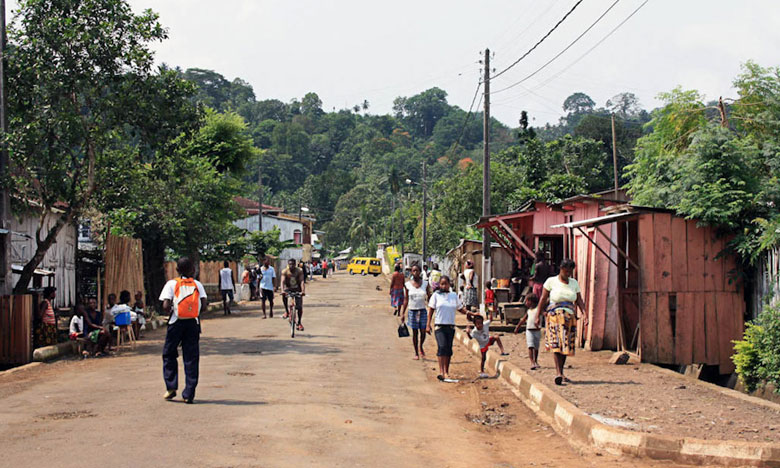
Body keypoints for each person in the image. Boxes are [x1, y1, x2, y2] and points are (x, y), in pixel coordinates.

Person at [160, 257, 207, 404]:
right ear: (193, 270)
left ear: (177, 270)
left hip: (176, 322)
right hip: (193, 323)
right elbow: (204, 305)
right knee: (191, 357)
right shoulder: (197, 284)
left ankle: (171, 387)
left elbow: (166, 306)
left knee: (169, 353)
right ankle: (189, 393)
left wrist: (176, 310)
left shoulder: (171, 284)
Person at [538, 258, 587, 386]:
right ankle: (558, 373)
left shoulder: (574, 283)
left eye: (570, 272)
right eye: (566, 271)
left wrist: (585, 314)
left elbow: (579, 300)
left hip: (569, 318)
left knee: (565, 346)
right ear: (561, 269)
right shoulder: (551, 281)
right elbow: (543, 298)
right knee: (556, 344)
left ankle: (562, 372)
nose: (568, 274)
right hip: (554, 317)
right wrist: (538, 315)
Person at [426, 275, 470, 381]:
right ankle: (441, 372)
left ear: (449, 285)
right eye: (442, 283)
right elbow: (431, 310)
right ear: (439, 285)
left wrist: (470, 313)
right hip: (439, 326)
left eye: (446, 283)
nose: (444, 286)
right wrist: (428, 325)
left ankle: (446, 371)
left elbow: (460, 308)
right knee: (442, 347)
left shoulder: (453, 296)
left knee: (448, 349)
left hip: (450, 326)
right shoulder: (436, 296)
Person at [401, 264, 431, 360]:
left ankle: (421, 345)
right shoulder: (408, 285)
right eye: (413, 271)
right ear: (411, 272)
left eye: (417, 270)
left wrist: (432, 308)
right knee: (415, 332)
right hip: (412, 311)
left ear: (420, 272)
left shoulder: (425, 284)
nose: (415, 273)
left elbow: (430, 297)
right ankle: (416, 352)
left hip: (422, 310)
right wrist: (402, 313)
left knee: (423, 331)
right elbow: (406, 299)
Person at [467, 311, 508, 378]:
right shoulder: (474, 332)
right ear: (475, 324)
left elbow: (491, 320)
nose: (480, 325)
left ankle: (502, 351)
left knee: (496, 337)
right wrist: (468, 332)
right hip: (482, 345)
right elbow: (470, 338)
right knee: (483, 358)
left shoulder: (485, 324)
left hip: (488, 340)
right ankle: (482, 372)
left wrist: (491, 313)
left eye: (481, 323)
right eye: (478, 324)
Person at [514, 293, 541, 370]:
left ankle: (535, 361)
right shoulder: (528, 311)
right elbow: (523, 320)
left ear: (531, 302)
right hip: (529, 331)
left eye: (526, 301)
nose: (525, 303)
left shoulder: (538, 310)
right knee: (530, 346)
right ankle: (532, 362)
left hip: (537, 331)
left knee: (536, 347)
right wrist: (517, 327)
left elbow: (544, 313)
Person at [281, 258, 306, 331]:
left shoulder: (299, 271)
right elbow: (282, 282)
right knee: (284, 295)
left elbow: (302, 281)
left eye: (293, 264)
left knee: (300, 307)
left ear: (295, 265)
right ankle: (287, 311)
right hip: (288, 288)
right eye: (290, 264)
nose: (291, 266)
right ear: (288, 265)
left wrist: (303, 291)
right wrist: (282, 290)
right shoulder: (285, 271)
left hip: (297, 289)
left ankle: (299, 322)